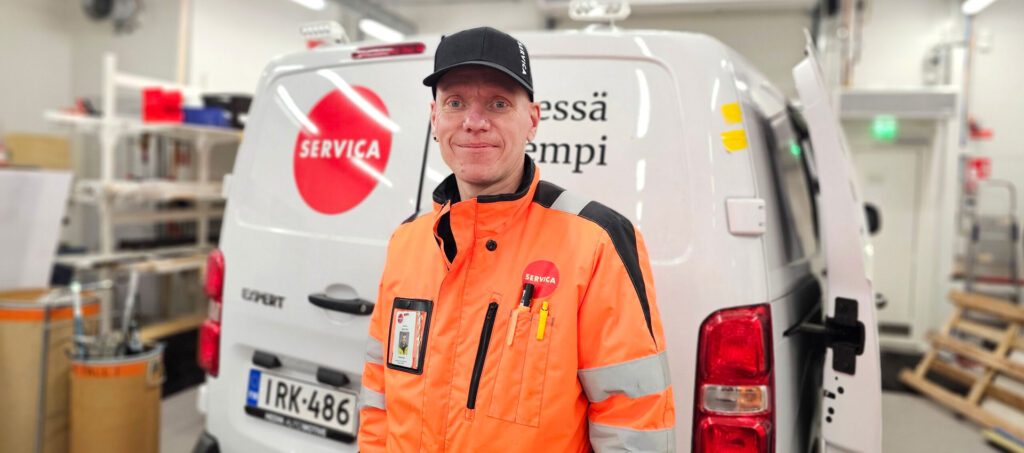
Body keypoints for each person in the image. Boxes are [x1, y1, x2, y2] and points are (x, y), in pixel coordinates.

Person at [358, 26, 675, 452]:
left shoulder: (595, 241)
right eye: (455, 103)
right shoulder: (409, 241)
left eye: (498, 103)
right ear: (435, 119)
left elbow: (634, 422)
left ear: (532, 120)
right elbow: (380, 391)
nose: (473, 122)